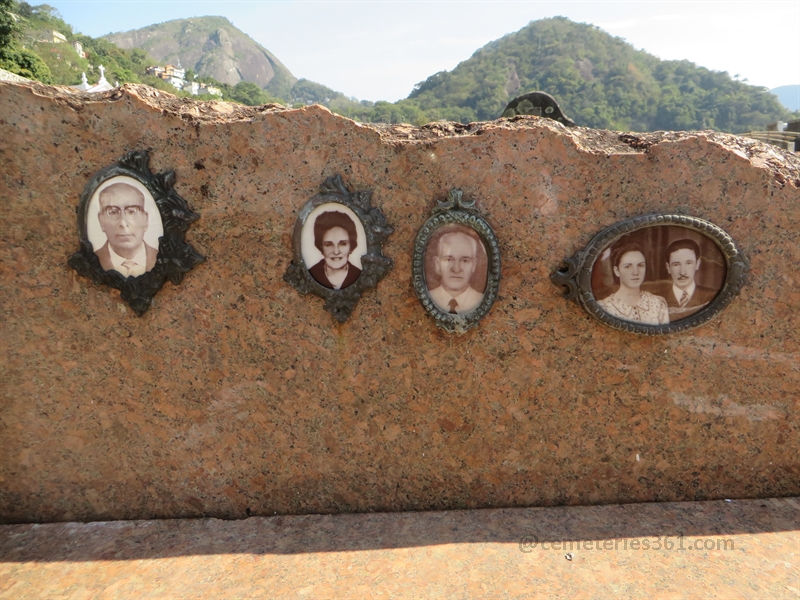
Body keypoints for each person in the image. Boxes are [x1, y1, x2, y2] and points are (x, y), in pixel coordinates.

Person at [94, 182, 158, 277]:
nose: (123, 223)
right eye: (113, 212)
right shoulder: (91, 260)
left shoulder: (163, 258)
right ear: (101, 221)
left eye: (132, 211)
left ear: (145, 219)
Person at [597, 241, 669, 325]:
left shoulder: (658, 303)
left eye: (640, 265)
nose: (635, 272)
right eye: (628, 266)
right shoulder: (604, 307)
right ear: (617, 271)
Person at [654, 239, 718, 319]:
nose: (683, 272)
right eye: (676, 265)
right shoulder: (655, 300)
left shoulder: (713, 297)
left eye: (688, 263)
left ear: (697, 264)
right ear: (668, 268)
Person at [428, 226, 484, 314]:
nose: (456, 269)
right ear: (437, 264)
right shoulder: (428, 298)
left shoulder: (482, 300)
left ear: (474, 265)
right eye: (449, 260)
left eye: (465, 260)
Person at [308, 211, 362, 290]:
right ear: (321, 248)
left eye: (343, 244)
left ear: (351, 247)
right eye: (328, 244)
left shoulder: (361, 276)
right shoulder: (309, 275)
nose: (336, 252)